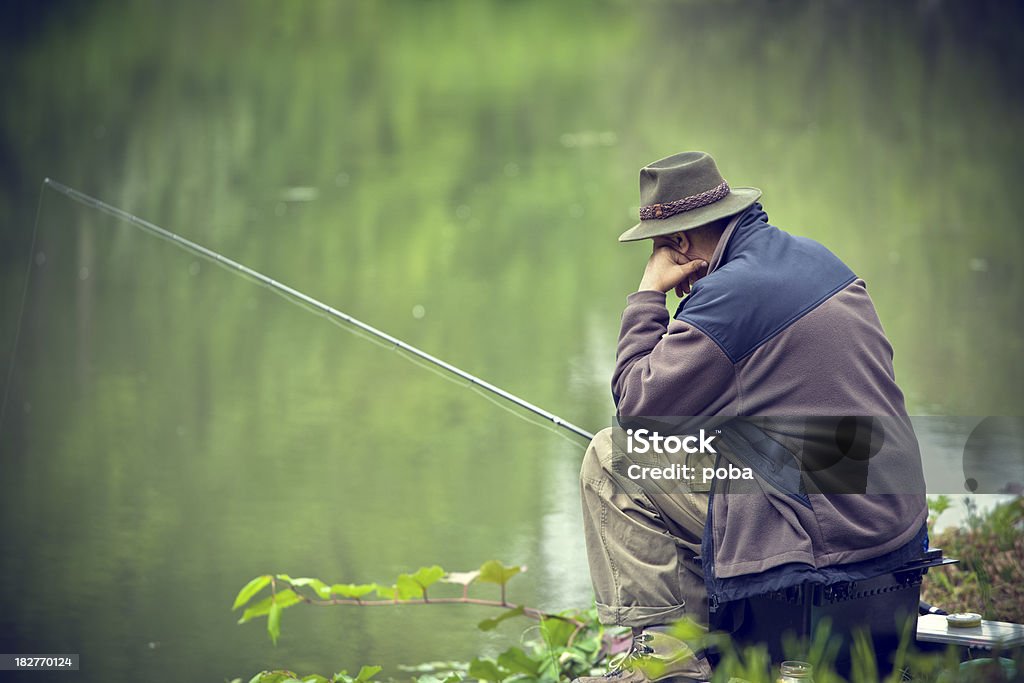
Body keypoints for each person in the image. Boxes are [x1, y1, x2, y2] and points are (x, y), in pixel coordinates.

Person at [574, 152, 928, 683]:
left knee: (611, 461)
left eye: (657, 248)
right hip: (891, 517)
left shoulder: (730, 296)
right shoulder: (817, 260)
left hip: (826, 531)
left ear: (679, 243)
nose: (662, 264)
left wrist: (649, 293)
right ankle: (709, 647)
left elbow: (637, 408)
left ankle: (667, 660)